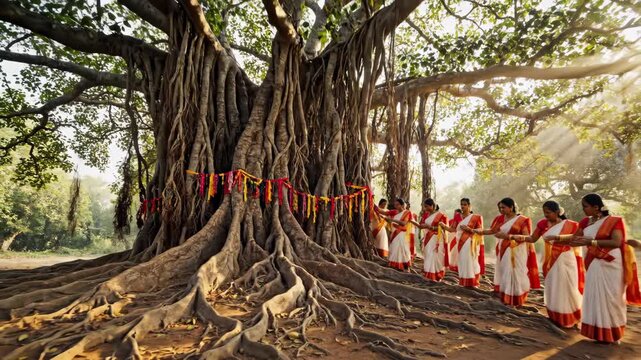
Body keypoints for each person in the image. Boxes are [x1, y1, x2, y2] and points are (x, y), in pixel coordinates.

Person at [569, 193, 641, 343]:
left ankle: (612, 334)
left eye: (585, 206)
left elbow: (616, 242)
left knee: (611, 297)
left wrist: (592, 242)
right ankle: (597, 333)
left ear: (596, 207)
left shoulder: (614, 221)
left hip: (611, 262)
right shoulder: (585, 222)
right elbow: (574, 240)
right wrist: (560, 239)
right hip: (593, 262)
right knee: (594, 295)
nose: (583, 210)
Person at [520, 200, 583, 328]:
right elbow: (532, 238)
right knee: (553, 285)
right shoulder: (543, 224)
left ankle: (569, 317)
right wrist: (515, 237)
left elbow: (577, 238)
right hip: (549, 259)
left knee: (568, 286)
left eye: (548, 212)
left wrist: (557, 238)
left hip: (566, 258)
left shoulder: (571, 225)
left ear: (557, 212)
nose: (546, 215)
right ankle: (555, 316)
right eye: (544, 213)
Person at [474, 198, 540, 306]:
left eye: (503, 207)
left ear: (512, 207)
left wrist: (508, 237)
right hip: (502, 249)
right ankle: (506, 296)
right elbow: (492, 231)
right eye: (500, 208)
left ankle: (516, 298)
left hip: (516, 250)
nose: (501, 210)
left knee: (515, 272)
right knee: (504, 271)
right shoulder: (500, 218)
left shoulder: (523, 220)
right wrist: (478, 231)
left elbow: (527, 237)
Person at [440, 199, 484, 287]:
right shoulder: (457, 217)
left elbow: (480, 230)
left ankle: (472, 281)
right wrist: (444, 226)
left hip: (470, 243)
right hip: (460, 243)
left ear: (469, 205)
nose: (463, 206)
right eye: (461, 205)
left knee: (470, 260)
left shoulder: (476, 217)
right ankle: (464, 281)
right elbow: (452, 229)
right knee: (462, 260)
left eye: (465, 204)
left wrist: (470, 230)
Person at [412, 199, 449, 281]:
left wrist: (430, 227)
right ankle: (429, 274)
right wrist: (412, 221)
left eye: (426, 206)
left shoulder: (441, 215)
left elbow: (444, 228)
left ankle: (437, 275)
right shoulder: (426, 215)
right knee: (428, 255)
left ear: (432, 205)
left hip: (437, 239)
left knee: (435, 256)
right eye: (424, 207)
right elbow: (421, 226)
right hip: (427, 238)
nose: (425, 208)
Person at [377, 198, 413, 271]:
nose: (396, 206)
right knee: (394, 249)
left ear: (402, 205)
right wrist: (372, 201)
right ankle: (395, 266)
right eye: (395, 205)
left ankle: (404, 266)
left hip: (401, 234)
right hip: (394, 233)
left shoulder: (407, 213)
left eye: (397, 205)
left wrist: (392, 220)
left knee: (402, 249)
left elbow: (403, 223)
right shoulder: (394, 212)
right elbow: (382, 212)